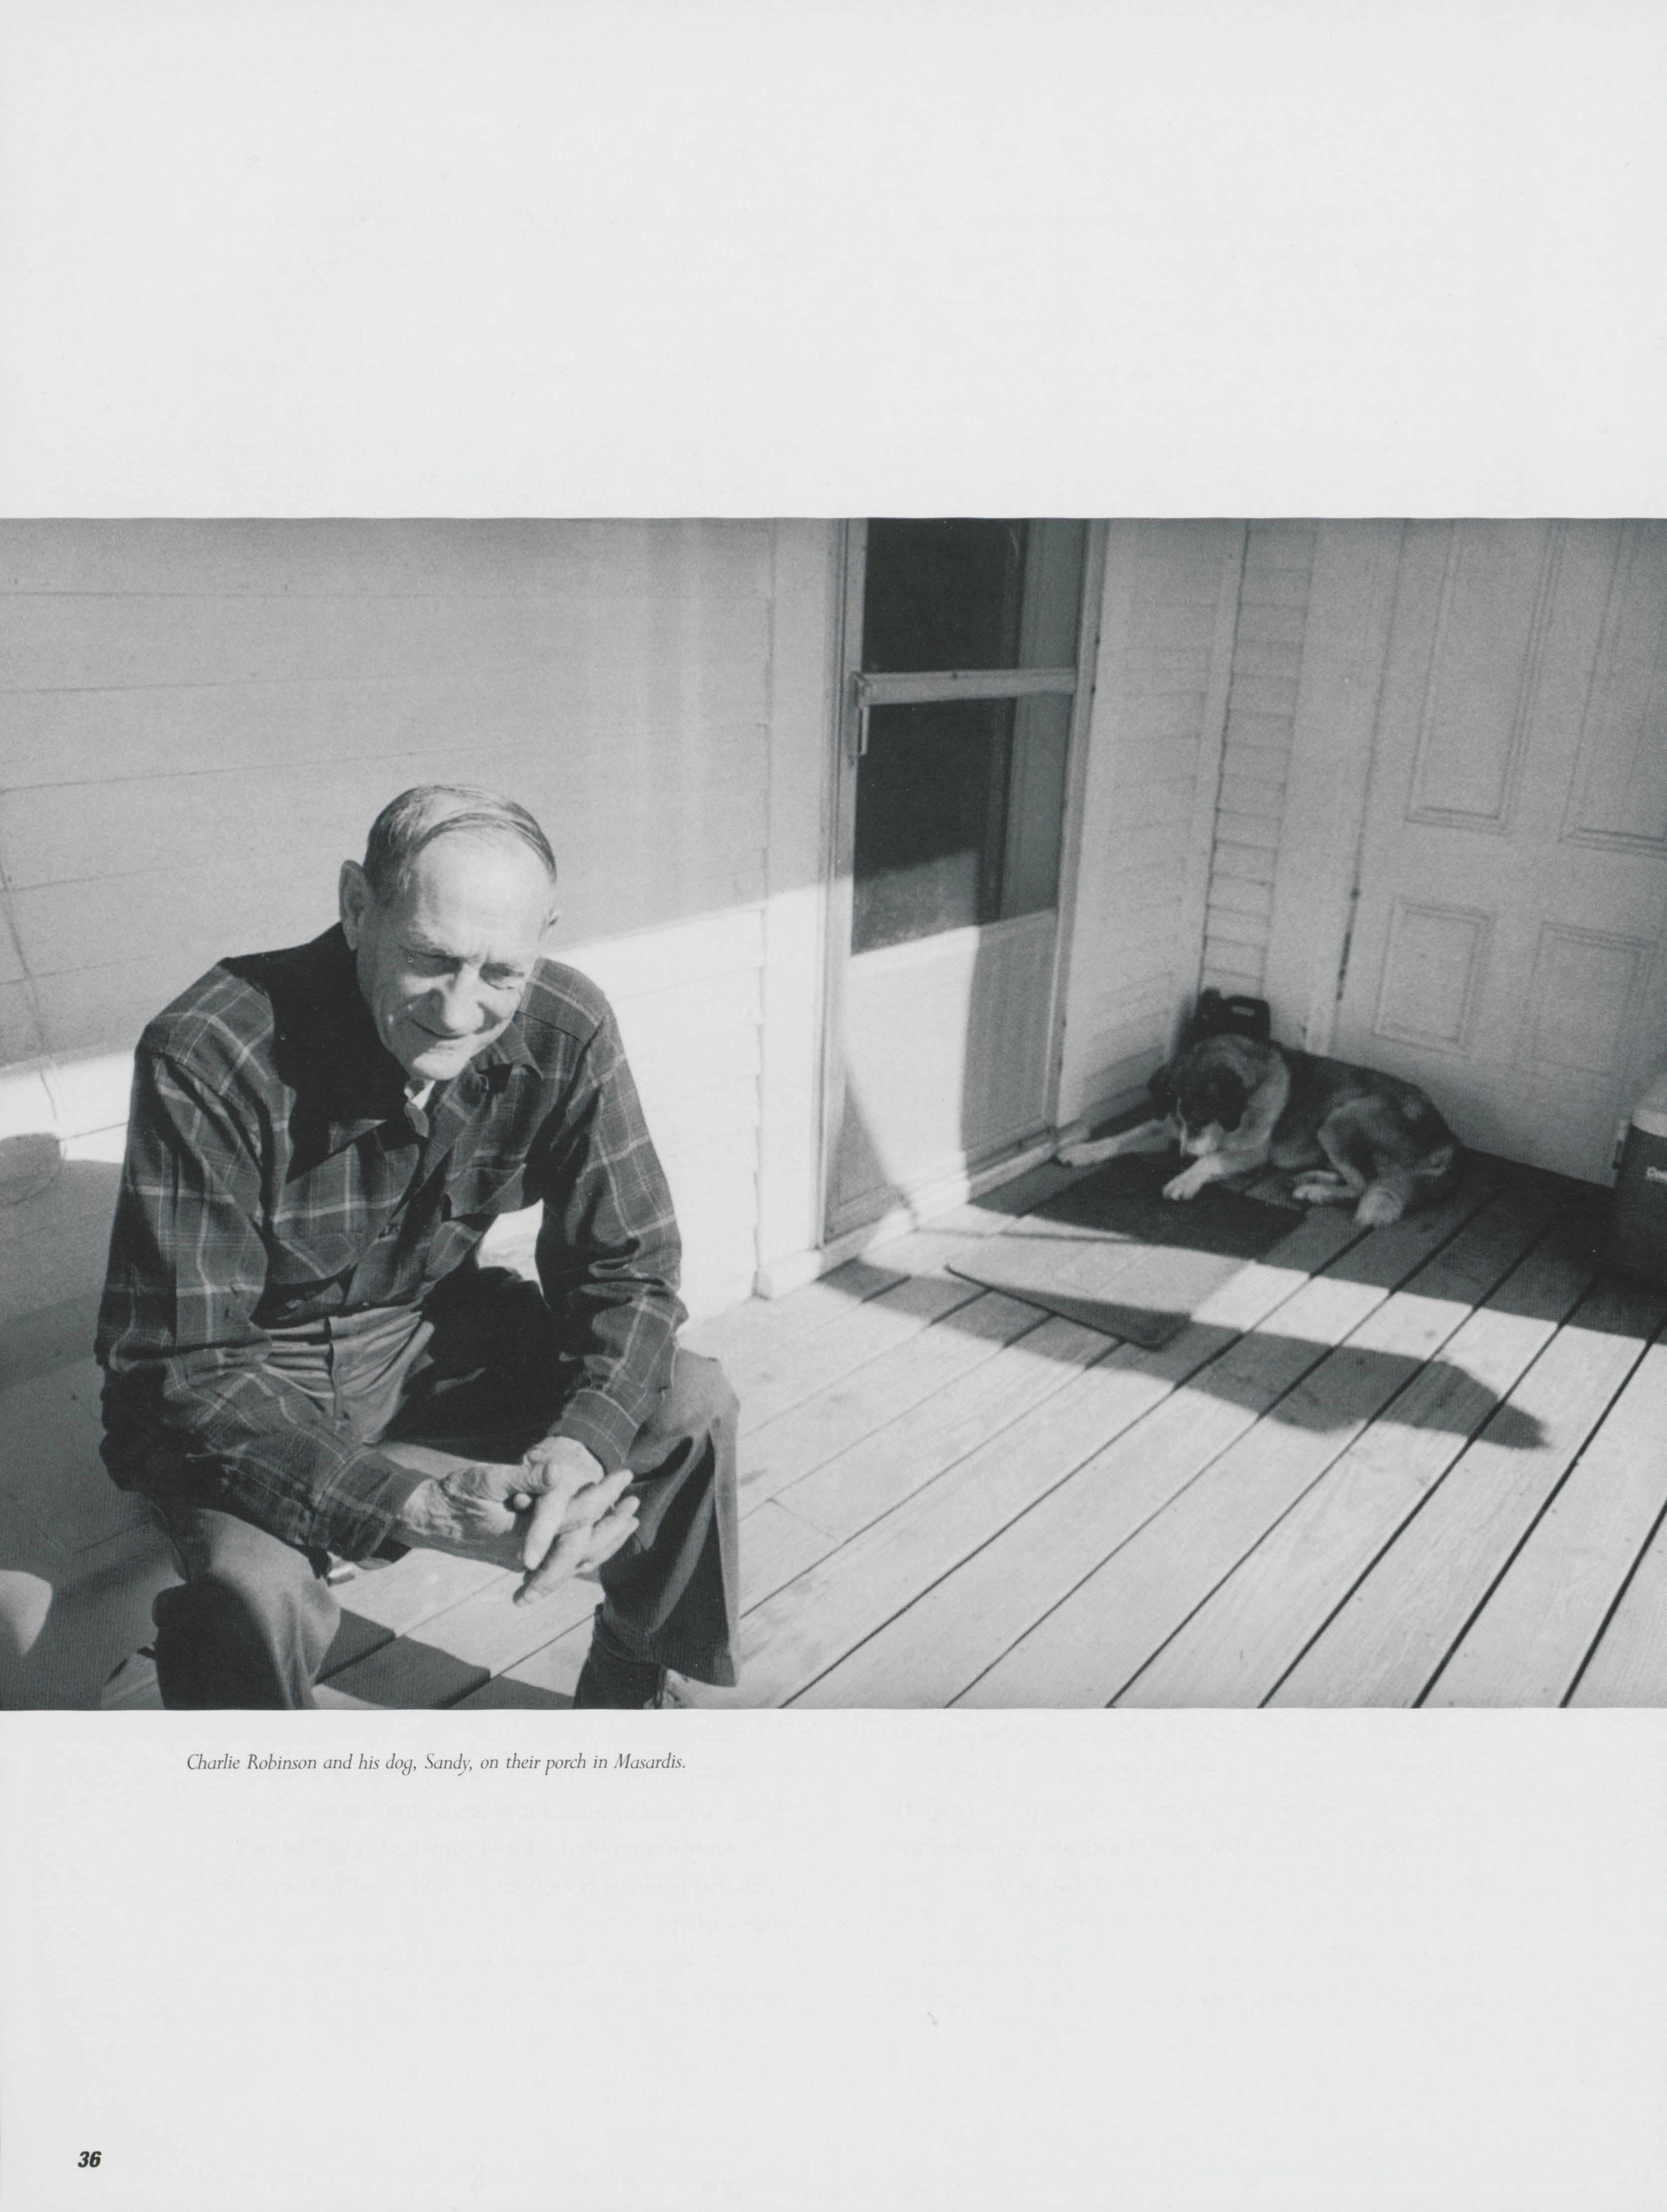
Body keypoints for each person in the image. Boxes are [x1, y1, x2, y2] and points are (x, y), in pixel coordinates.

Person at [95, 785, 739, 1709]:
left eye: (501, 973)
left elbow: (628, 1268)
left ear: (543, 940)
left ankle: (634, 1679)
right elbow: (183, 1369)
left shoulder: (566, 1025)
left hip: (428, 1336)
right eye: (431, 960)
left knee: (690, 1401)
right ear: (358, 907)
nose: (461, 1011)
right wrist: (415, 1507)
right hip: (249, 1375)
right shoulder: (210, 1050)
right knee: (248, 1596)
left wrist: (580, 1441)